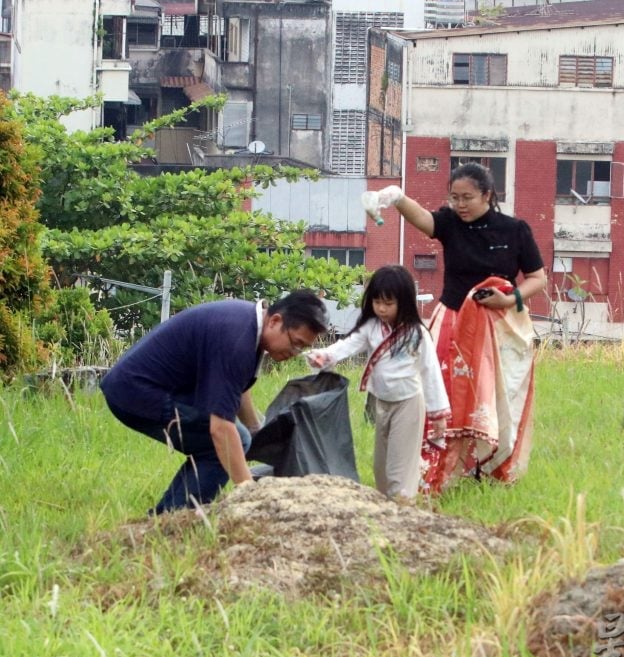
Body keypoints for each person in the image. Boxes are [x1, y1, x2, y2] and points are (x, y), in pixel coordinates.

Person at [365, 162, 547, 492]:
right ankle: (442, 468)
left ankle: (492, 468)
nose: (460, 205)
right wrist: (396, 197)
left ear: (488, 195)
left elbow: (537, 278)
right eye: (454, 198)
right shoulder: (449, 223)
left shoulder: (514, 230)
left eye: (468, 198)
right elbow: (423, 218)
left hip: (500, 326)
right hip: (452, 320)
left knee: (497, 398)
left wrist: (510, 300)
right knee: (443, 395)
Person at [100, 290, 329, 514]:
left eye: (303, 348)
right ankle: (177, 518)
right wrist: (251, 495)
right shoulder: (237, 338)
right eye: (295, 343)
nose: (295, 352)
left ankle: (169, 515)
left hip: (150, 388)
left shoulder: (247, 325)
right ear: (275, 321)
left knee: (240, 438)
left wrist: (256, 429)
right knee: (228, 442)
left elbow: (235, 389)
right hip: (135, 392)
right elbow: (220, 429)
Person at [305, 265, 450, 500]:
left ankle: (403, 511)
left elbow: (430, 373)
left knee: (399, 470)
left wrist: (438, 414)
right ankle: (386, 511)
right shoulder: (371, 328)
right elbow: (348, 345)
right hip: (381, 403)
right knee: (381, 468)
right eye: (377, 302)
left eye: (388, 303)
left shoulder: (417, 334)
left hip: (408, 404)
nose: (381, 309)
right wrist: (326, 356)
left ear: (403, 303)